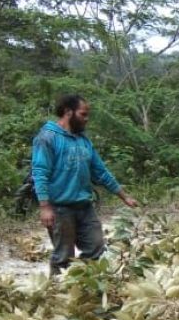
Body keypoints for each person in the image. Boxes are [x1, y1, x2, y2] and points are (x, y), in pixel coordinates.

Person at [31, 94, 139, 275]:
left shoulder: (83, 141)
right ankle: (57, 295)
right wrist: (44, 207)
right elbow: (40, 173)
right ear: (68, 112)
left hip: (84, 206)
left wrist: (124, 196)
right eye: (83, 114)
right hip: (60, 208)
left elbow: (100, 171)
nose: (86, 119)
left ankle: (82, 285)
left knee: (96, 248)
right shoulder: (47, 138)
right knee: (63, 257)